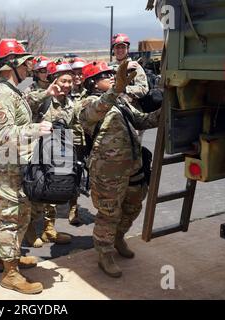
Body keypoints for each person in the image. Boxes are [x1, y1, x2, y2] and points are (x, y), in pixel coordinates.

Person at [0, 38, 52, 294]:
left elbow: (23, 109)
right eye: (24, 63)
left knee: (19, 213)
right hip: (8, 167)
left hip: (16, 165)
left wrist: (47, 93)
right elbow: (3, 133)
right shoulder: (0, 94)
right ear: (11, 64)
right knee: (12, 217)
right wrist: (36, 128)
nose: (28, 69)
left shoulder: (12, 92)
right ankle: (9, 273)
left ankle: (8, 258)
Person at [80, 60, 160, 278]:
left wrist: (164, 112)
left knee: (134, 205)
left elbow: (141, 120)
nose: (112, 77)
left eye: (112, 74)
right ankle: (104, 253)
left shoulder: (121, 102)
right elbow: (94, 113)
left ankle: (118, 237)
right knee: (109, 213)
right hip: (108, 172)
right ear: (93, 83)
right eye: (106, 76)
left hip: (133, 165)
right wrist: (117, 89)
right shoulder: (87, 102)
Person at [24, 59, 79, 248]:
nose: (67, 85)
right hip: (40, 151)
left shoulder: (71, 101)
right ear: (53, 79)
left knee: (55, 192)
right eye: (63, 80)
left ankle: (49, 229)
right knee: (38, 192)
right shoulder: (43, 97)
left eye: (70, 81)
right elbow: (25, 105)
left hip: (61, 151)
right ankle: (30, 228)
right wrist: (46, 93)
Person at [67, 57, 89, 225]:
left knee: (82, 172)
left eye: (80, 73)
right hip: (70, 139)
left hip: (87, 139)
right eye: (74, 73)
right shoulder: (65, 91)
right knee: (70, 173)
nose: (77, 76)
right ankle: (72, 208)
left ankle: (75, 205)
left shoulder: (90, 90)